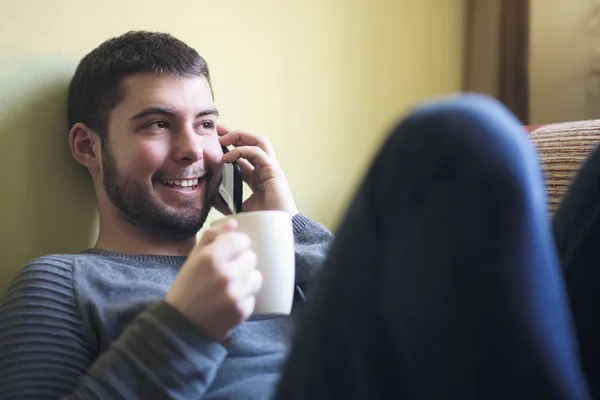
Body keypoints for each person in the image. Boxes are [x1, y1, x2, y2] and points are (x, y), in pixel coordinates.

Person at [1, 31, 599, 400]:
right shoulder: (61, 281)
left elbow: (387, 324)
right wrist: (184, 330)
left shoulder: (282, 251)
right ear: (87, 147)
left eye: (206, 123)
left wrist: (285, 227)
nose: (193, 148)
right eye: (158, 123)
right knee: (459, 136)